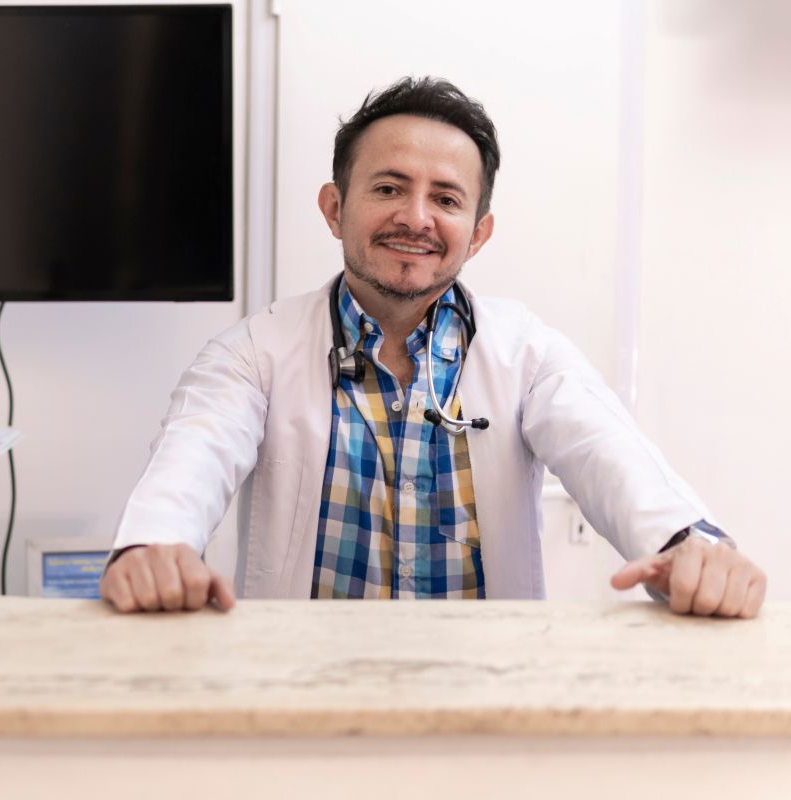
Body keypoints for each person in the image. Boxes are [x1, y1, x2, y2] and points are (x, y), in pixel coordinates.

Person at [100, 76, 766, 618]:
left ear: (477, 234)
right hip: (302, 708)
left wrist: (689, 548)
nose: (416, 218)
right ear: (335, 208)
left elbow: (613, 458)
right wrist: (152, 549)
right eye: (388, 188)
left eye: (445, 199)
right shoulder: (252, 353)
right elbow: (190, 461)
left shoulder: (527, 355)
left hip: (483, 718)